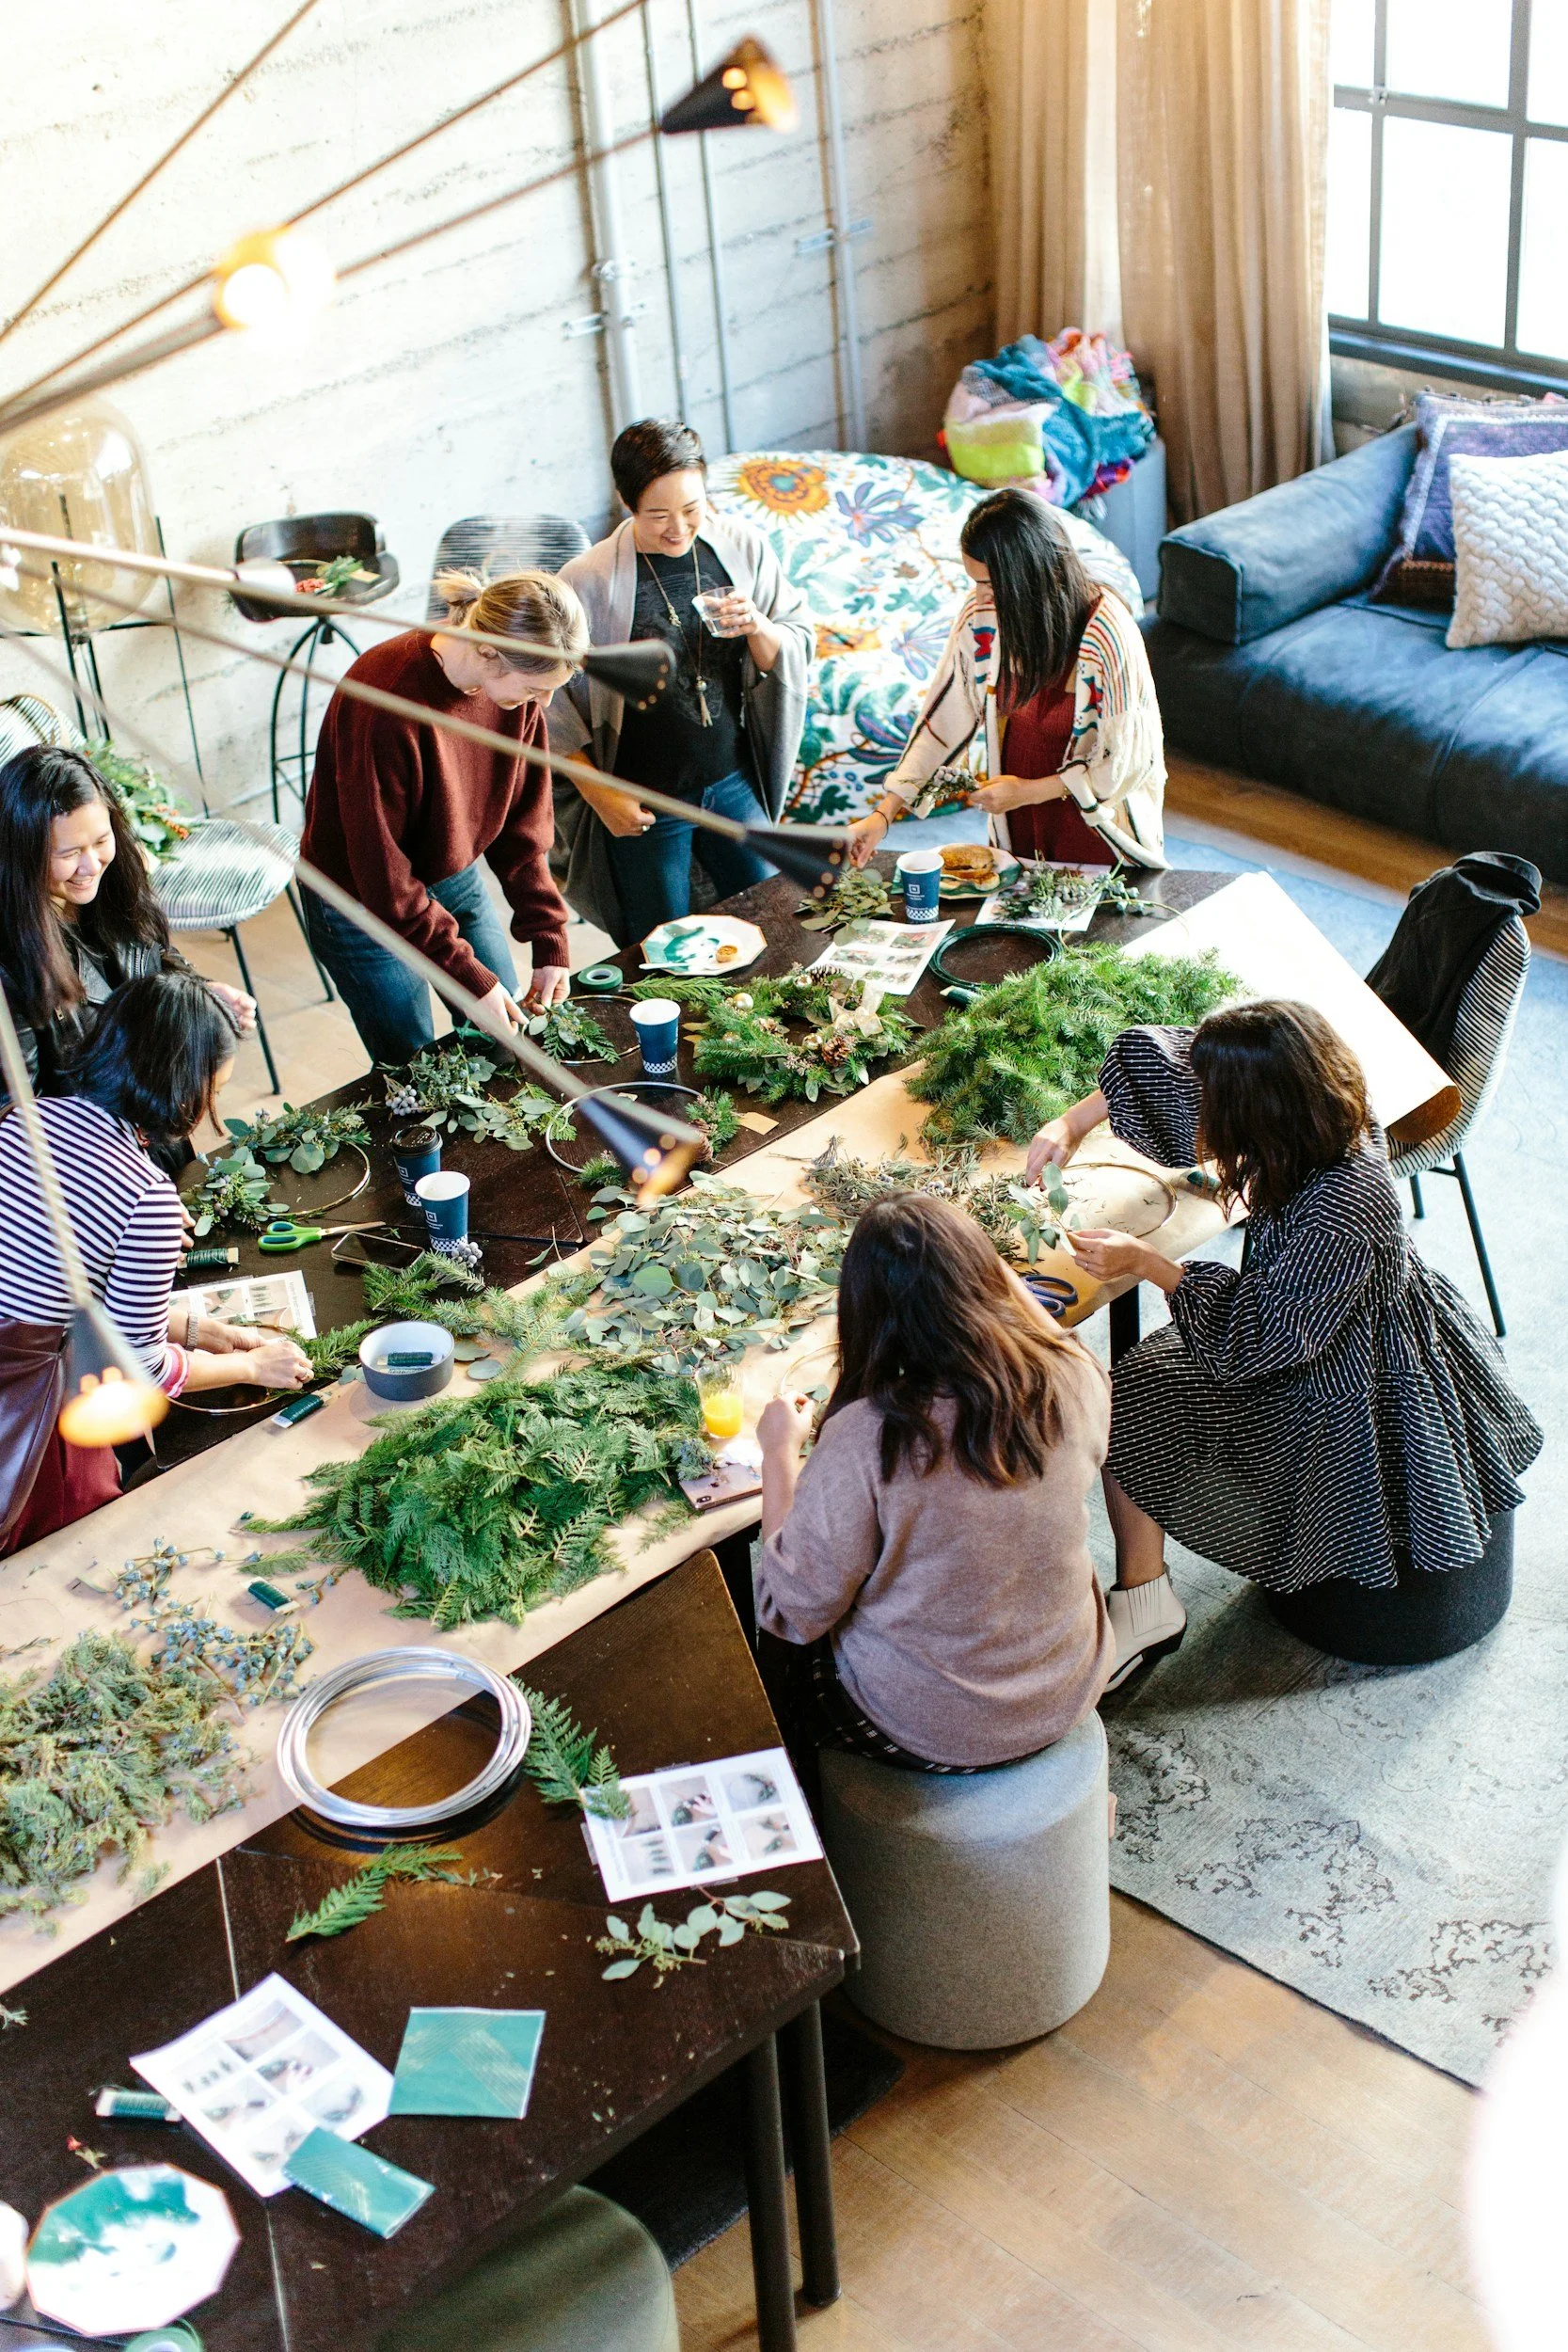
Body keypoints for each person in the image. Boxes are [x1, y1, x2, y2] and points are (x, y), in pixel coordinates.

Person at [1026, 1000, 1544, 1685]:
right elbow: (1167, 1063)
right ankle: (1144, 1593)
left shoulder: (1345, 1207)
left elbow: (1256, 1340)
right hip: (1309, 1313)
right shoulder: (1316, 1099)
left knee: (1129, 1400)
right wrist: (1072, 1120)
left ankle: (1144, 1602)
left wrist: (1148, 1264)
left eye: (1215, 1105)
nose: (1201, 1112)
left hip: (1337, 1363)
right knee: (1139, 1379)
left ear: (1259, 1111)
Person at [753, 1194, 1114, 1773]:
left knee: (784, 1664)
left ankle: (814, 1824)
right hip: (1068, 1681)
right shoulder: (1072, 1374)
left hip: (935, 1727)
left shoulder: (869, 1436)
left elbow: (791, 1611)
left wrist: (778, 1453)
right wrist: (967, 1256)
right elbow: (1046, 1333)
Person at [0, 975, 312, 1553]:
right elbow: (144, 1370)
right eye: (214, 1091)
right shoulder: (145, 1196)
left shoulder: (27, 1120)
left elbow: (65, 1289)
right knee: (68, 1554)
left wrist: (205, 1329)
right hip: (32, 1416)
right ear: (184, 1087)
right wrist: (254, 1367)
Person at [301, 571, 587, 1068]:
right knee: (417, 1067)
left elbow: (523, 827)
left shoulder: (515, 698)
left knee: (506, 1040)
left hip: (449, 870)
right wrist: (468, 979)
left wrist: (549, 934)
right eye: (536, 688)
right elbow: (385, 881)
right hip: (358, 903)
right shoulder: (385, 700)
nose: (544, 704)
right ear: (488, 652)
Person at [551, 418, 814, 947]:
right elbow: (547, 704)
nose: (679, 529)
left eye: (693, 510)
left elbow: (797, 637)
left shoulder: (741, 547)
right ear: (626, 504)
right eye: (658, 515)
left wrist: (758, 626)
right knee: (665, 947)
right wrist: (600, 794)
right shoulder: (586, 581)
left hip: (733, 779)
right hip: (644, 799)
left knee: (774, 922)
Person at [846, 486, 1165, 872]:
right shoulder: (983, 619)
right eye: (975, 582)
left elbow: (1124, 766)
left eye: (991, 586)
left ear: (1032, 578)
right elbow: (944, 716)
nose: (978, 597)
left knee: (1098, 926)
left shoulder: (1107, 633)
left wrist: (1029, 792)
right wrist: (884, 814)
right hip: (1016, 815)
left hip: (1096, 824)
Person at [0, 744, 256, 1095]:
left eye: (102, 841)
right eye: (70, 853)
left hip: (149, 1111)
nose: (91, 866)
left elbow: (156, 959)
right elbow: (18, 1114)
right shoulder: (10, 961)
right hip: (88, 1141)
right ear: (23, 854)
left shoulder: (118, 883)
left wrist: (195, 994)